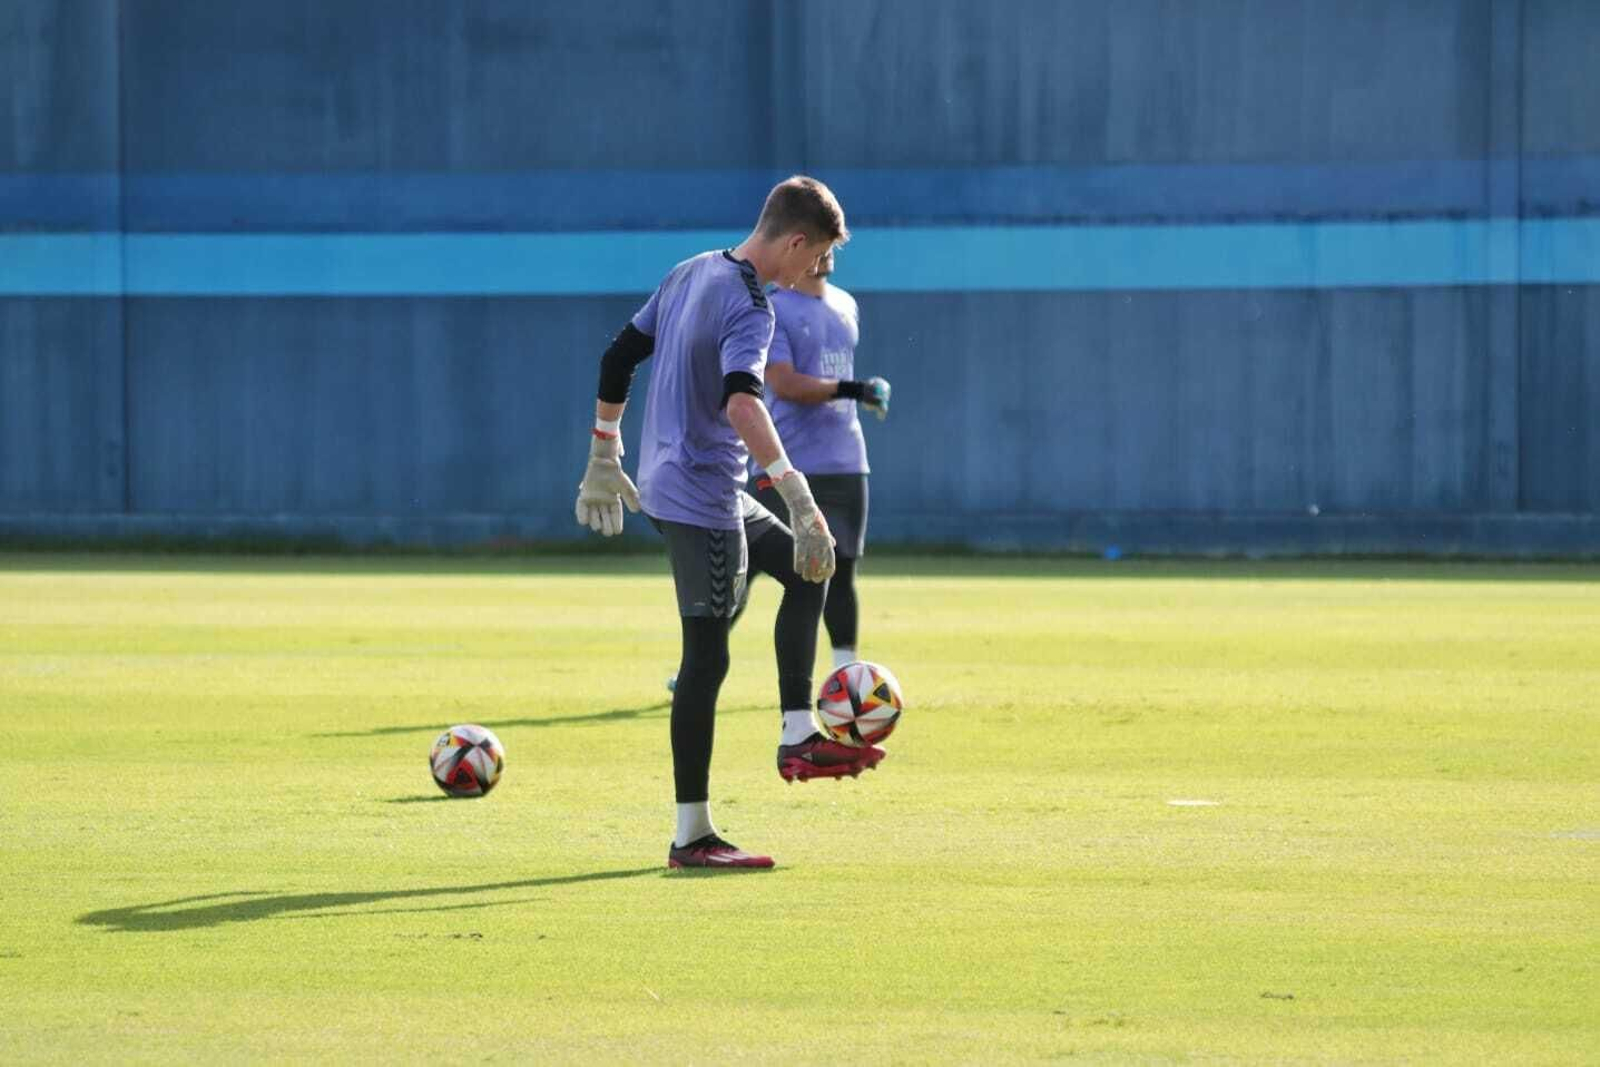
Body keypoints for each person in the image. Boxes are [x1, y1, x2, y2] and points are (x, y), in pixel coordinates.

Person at [574, 176, 886, 872]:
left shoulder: (691, 270)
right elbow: (743, 403)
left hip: (681, 482)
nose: (817, 269)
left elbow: (618, 356)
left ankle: (797, 733)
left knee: (810, 566)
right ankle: (692, 835)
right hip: (701, 496)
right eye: (818, 256)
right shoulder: (752, 305)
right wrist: (798, 495)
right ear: (796, 242)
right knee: (706, 658)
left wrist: (603, 450)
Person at [733, 246, 888, 672]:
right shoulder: (774, 307)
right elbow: (785, 384)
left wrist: (863, 393)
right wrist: (854, 389)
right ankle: (701, 657)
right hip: (786, 463)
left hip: (846, 460)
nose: (827, 252)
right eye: (818, 243)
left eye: (832, 244)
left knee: (842, 569)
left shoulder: (846, 304)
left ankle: (846, 677)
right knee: (747, 567)